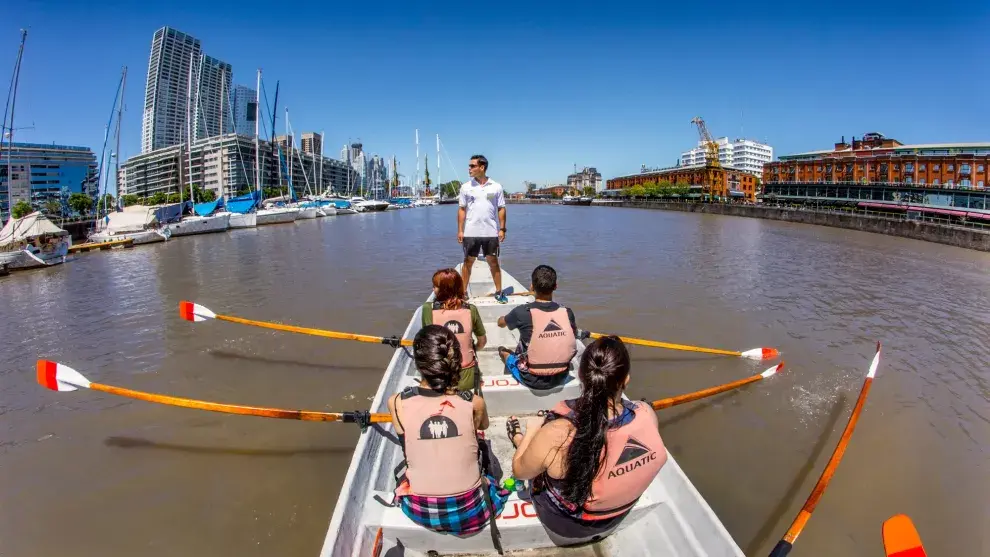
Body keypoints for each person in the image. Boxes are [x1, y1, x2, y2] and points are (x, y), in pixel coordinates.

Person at [506, 336, 667, 546]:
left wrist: (532, 430)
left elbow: (520, 471)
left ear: (582, 376)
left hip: (566, 523)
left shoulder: (560, 431)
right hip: (615, 517)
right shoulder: (647, 413)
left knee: (537, 444)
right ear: (625, 379)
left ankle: (520, 437)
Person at [386, 325, 508, 538]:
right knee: (484, 446)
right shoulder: (473, 402)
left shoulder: (396, 402)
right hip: (472, 510)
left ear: (418, 363)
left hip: (420, 510)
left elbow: (404, 438)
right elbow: (483, 426)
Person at [497, 264, 578, 390]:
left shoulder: (521, 312)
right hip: (561, 376)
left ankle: (504, 353)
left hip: (530, 378)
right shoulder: (567, 312)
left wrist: (502, 319)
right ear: (555, 286)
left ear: (531, 287)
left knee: (503, 351)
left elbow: (501, 323)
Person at [421, 268, 488, 393]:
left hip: (439, 379)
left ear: (444, 290)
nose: (432, 289)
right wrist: (473, 348)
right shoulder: (471, 309)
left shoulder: (427, 309)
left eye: (435, 286)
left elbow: (427, 343)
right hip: (466, 379)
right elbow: (482, 341)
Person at [457, 154, 508, 303]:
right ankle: (463, 293)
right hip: (470, 232)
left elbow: (501, 208)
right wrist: (460, 230)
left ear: (482, 167)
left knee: (493, 262)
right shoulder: (465, 187)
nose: (469, 168)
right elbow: (461, 209)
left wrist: (502, 229)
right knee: (467, 262)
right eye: (469, 166)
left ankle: (499, 292)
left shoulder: (496, 186)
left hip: (490, 232)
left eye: (472, 166)